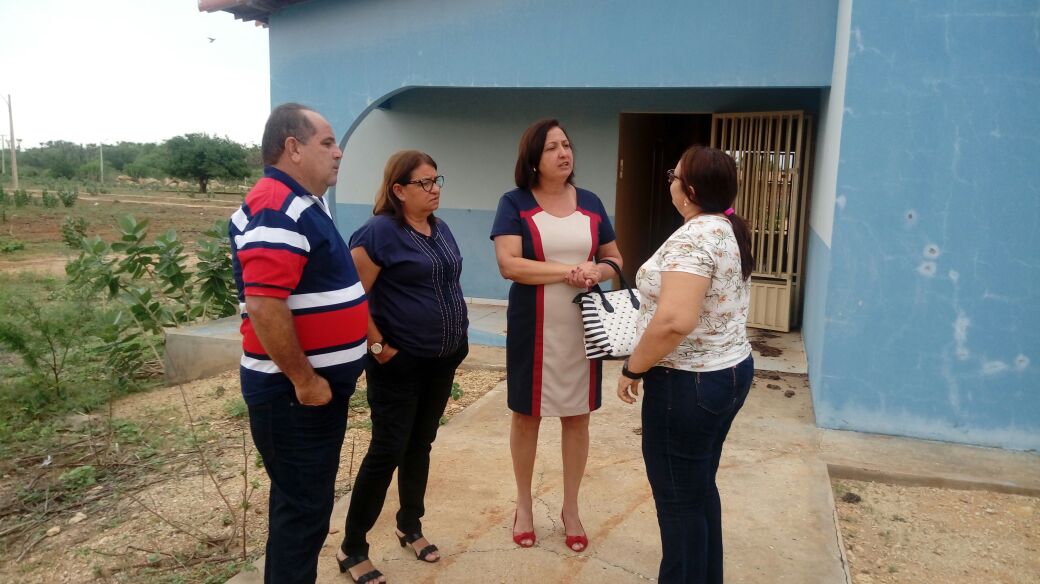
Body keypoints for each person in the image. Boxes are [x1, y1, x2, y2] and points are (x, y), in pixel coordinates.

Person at [229, 103, 368, 584]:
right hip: (293, 398)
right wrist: (305, 380)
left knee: (303, 507)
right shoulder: (276, 206)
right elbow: (266, 305)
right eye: (327, 143)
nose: (338, 152)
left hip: (308, 395)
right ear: (293, 147)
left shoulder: (303, 202)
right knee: (303, 513)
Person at [616, 145, 755, 584]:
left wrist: (632, 367)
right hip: (727, 372)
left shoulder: (693, 237)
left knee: (678, 501)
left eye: (673, 176)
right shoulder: (725, 228)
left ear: (689, 190)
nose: (670, 184)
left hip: (688, 385)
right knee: (697, 490)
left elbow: (676, 320)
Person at [491, 118, 623, 552]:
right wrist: (568, 271)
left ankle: (570, 508)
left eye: (566, 145)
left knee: (576, 416)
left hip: (583, 326)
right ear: (533, 158)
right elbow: (510, 264)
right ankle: (524, 506)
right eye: (552, 148)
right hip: (533, 325)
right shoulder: (514, 203)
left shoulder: (590, 202)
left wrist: (596, 270)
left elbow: (614, 259)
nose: (564, 153)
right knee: (526, 416)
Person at [337, 150, 469, 583]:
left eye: (437, 181)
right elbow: (353, 297)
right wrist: (377, 346)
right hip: (400, 364)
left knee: (421, 444)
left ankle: (410, 525)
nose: (434, 190)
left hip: (442, 360)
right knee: (387, 450)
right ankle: (353, 547)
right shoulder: (378, 233)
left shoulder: (440, 228)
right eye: (424, 183)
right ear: (398, 190)